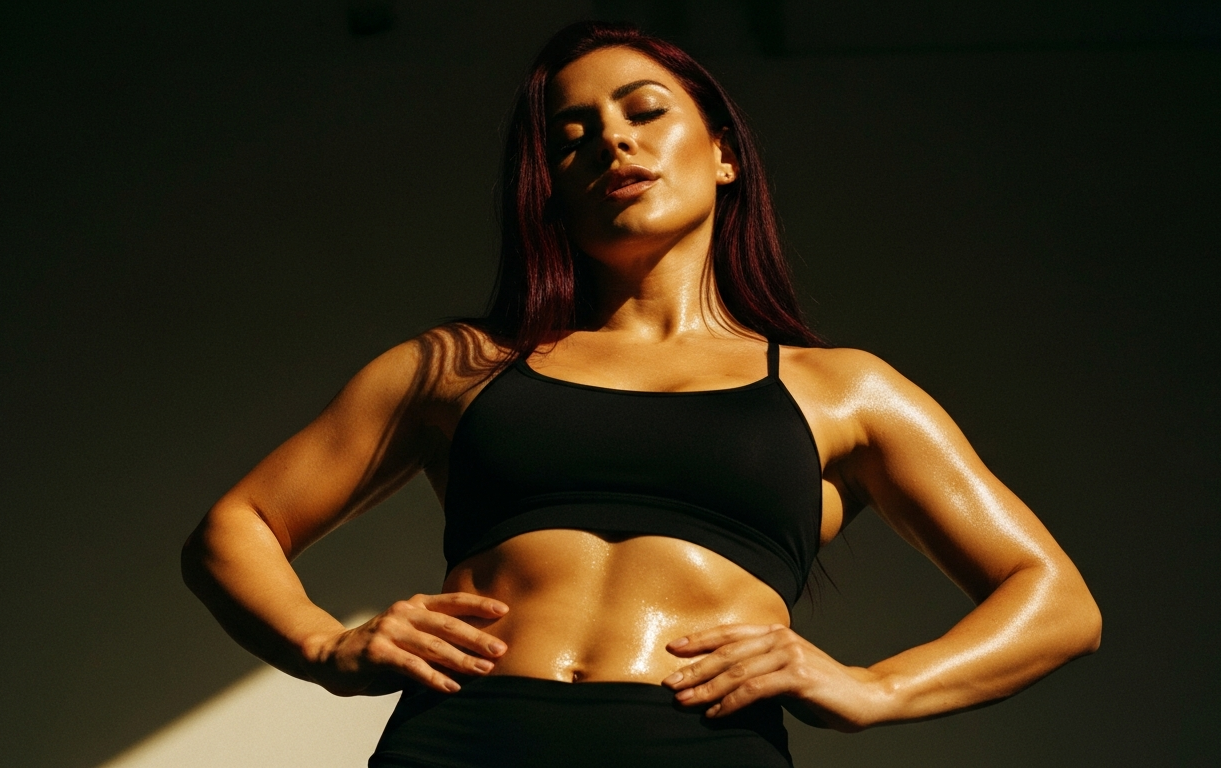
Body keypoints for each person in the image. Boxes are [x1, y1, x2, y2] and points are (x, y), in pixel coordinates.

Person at [181, 20, 1101, 768]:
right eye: (570, 135)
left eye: (644, 112)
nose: (610, 140)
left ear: (725, 154)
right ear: (552, 189)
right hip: (462, 745)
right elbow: (235, 528)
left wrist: (875, 689)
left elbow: (1056, 602)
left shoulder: (842, 390)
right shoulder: (460, 365)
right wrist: (325, 646)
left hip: (696, 751)